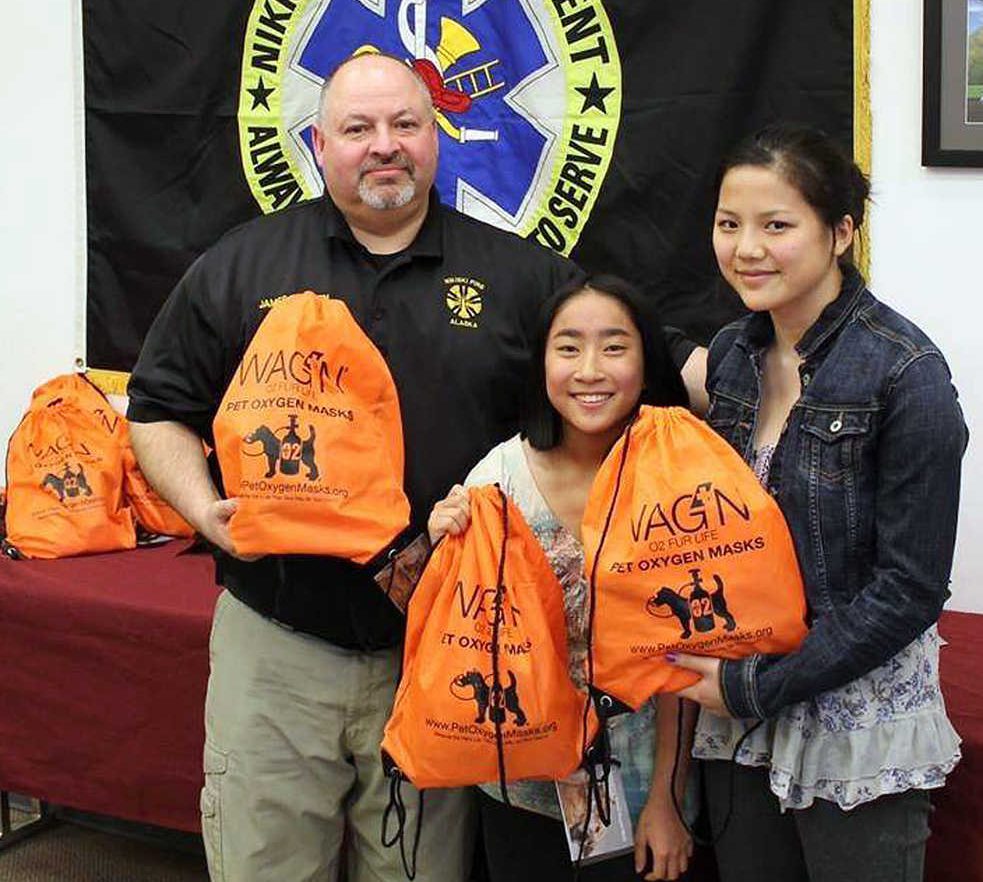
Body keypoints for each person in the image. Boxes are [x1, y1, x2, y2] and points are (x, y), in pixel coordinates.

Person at [125, 51, 584, 882]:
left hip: (440, 644)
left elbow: (607, 390)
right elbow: (157, 409)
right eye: (358, 128)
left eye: (406, 124)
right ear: (317, 142)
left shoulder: (521, 277)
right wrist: (202, 511)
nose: (385, 146)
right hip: (278, 641)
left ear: (435, 136)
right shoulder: (241, 266)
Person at [669, 123, 967, 882]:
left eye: (776, 226)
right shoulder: (734, 353)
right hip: (739, 715)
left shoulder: (906, 374)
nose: (746, 249)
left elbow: (907, 591)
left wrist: (755, 686)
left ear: (840, 232)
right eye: (728, 224)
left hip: (847, 723)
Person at [428, 276, 700, 882]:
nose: (590, 370)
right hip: (517, 784)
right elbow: (451, 634)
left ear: (647, 360)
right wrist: (436, 545)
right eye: (569, 347)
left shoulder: (680, 479)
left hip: (640, 786)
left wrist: (667, 798)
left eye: (614, 346)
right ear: (542, 362)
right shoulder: (497, 478)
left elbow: (688, 659)